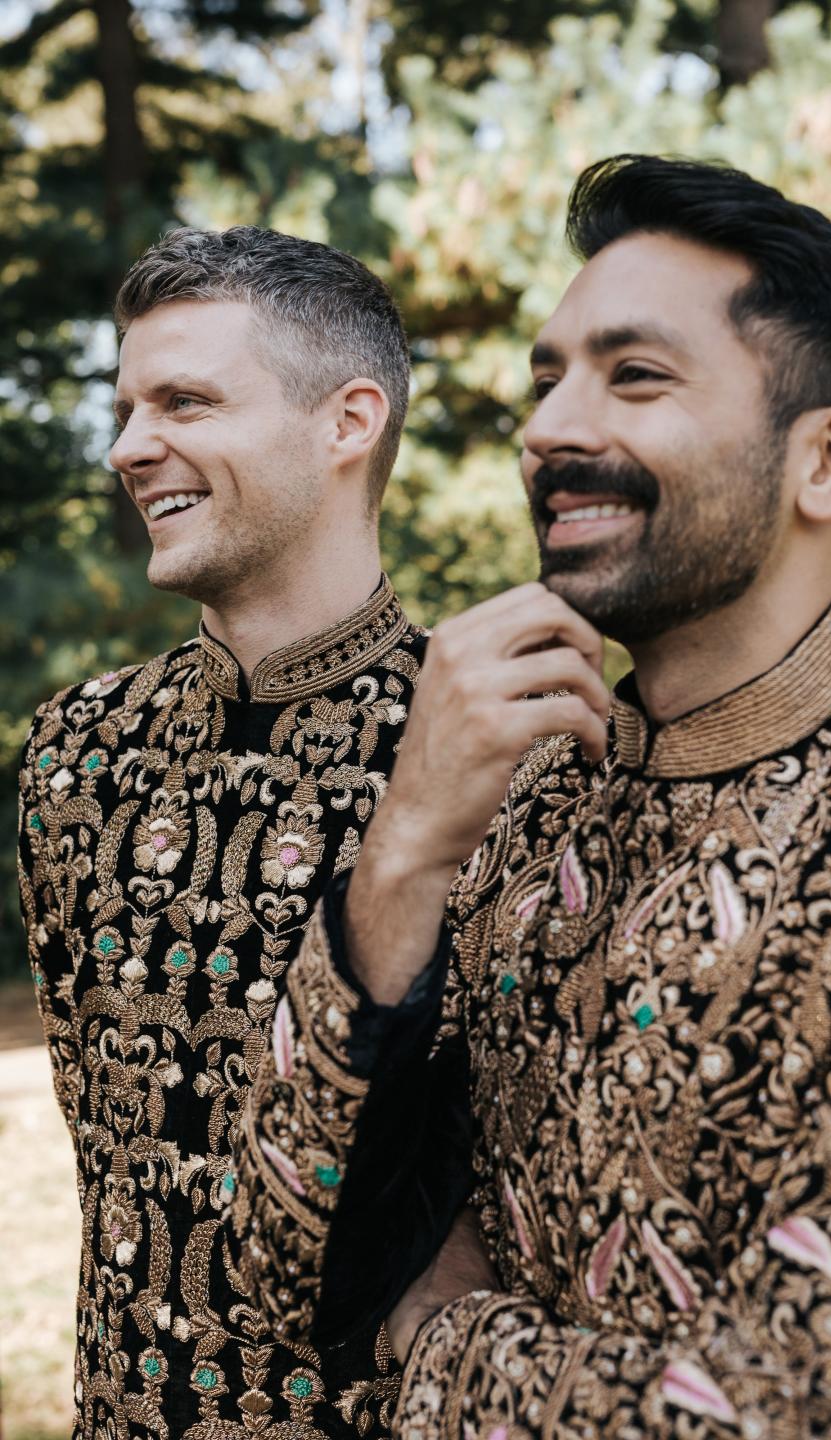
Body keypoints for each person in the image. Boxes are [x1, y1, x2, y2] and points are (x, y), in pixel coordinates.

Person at [232, 155, 831, 1437]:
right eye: (546, 377)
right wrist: (402, 847)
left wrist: (437, 1339)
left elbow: (829, 1403)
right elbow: (277, 1264)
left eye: (634, 375)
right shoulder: (516, 801)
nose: (549, 428)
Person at [17, 224, 424, 1440]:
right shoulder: (73, 752)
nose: (130, 448)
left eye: (185, 402)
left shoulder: (511, 752)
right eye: (128, 406)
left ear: (350, 422)